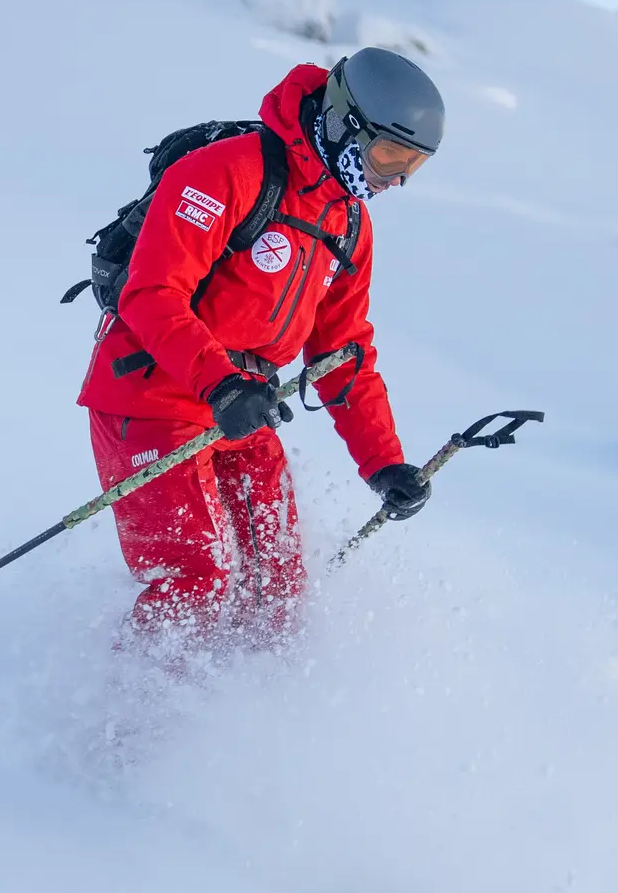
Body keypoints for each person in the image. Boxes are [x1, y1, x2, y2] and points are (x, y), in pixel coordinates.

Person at [77, 47, 442, 652]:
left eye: (414, 165)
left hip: (242, 408)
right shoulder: (229, 172)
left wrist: (384, 464)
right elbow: (151, 292)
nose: (397, 178)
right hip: (151, 398)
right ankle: (134, 708)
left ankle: (253, 702)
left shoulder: (349, 223)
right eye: (388, 156)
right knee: (197, 580)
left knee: (276, 588)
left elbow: (343, 351)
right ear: (344, 123)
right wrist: (220, 383)